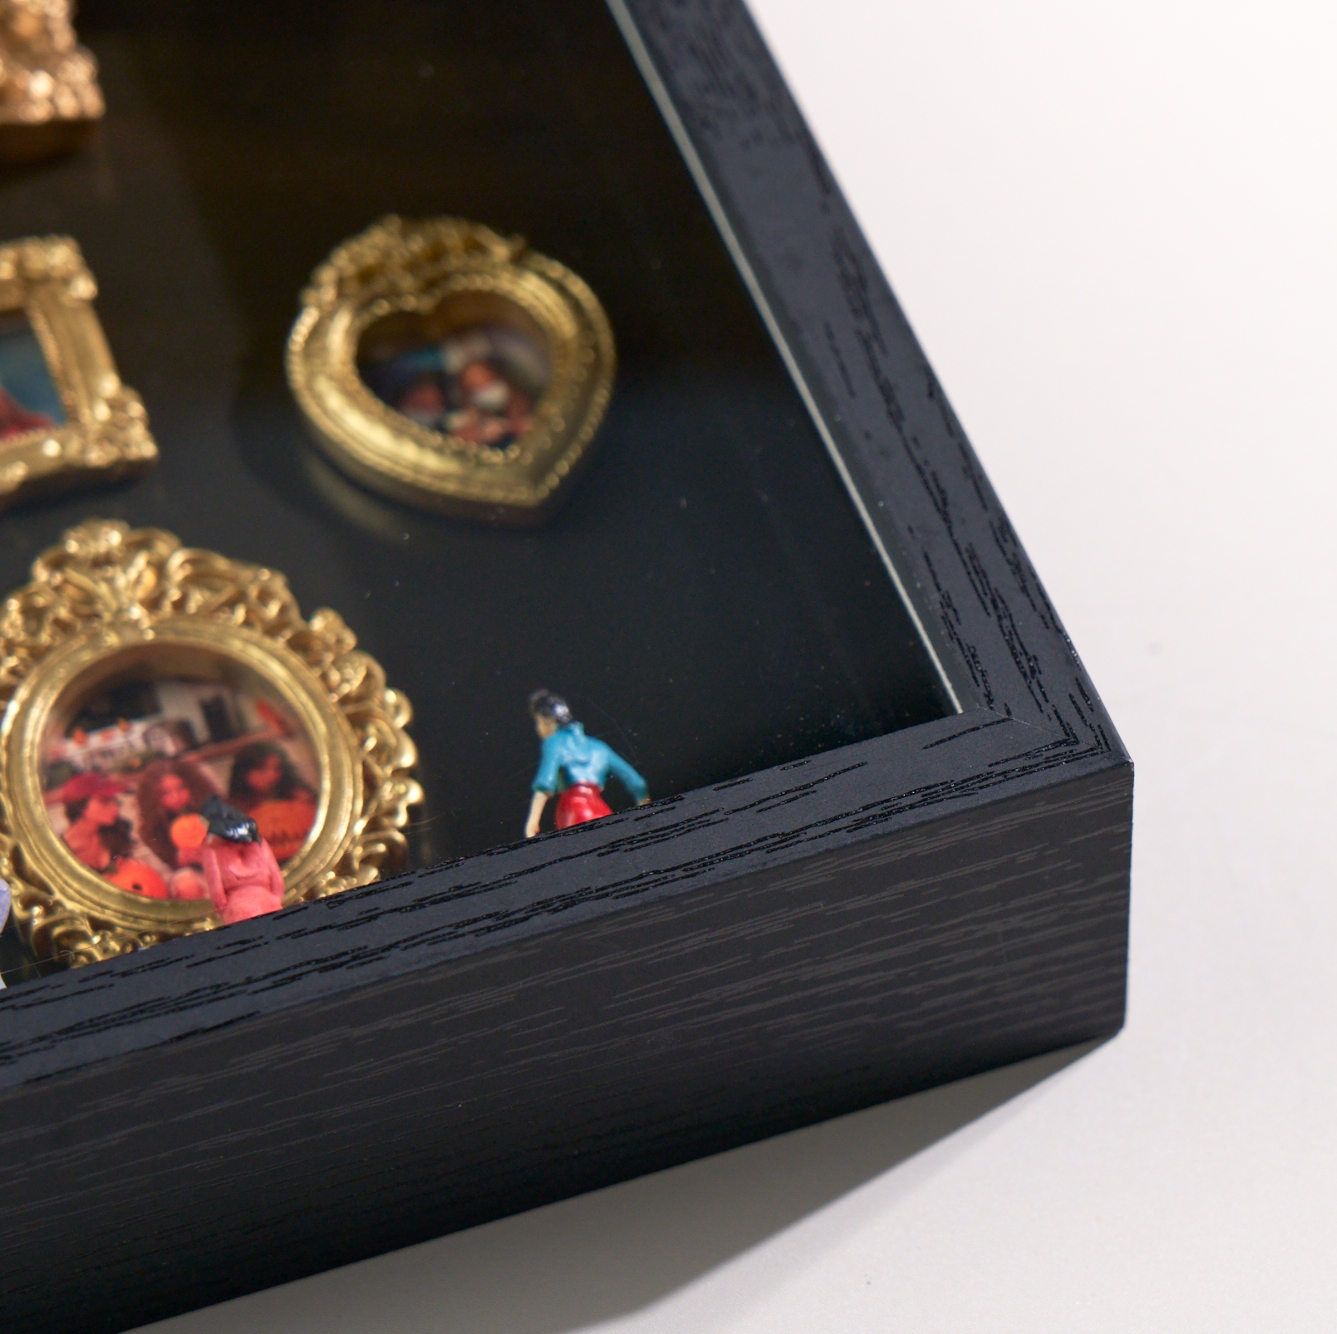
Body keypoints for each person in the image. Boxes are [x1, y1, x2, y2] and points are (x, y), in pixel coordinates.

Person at [525, 690, 650, 838]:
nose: (538, 728)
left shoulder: (554, 742)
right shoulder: (599, 747)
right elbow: (637, 783)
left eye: (538, 722)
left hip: (573, 809)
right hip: (601, 810)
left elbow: (545, 784)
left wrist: (532, 822)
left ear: (547, 721)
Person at [59, 771, 168, 899]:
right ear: (80, 808)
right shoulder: (61, 850)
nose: (115, 808)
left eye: (114, 800)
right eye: (104, 801)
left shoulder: (115, 832)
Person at [135, 757, 218, 899]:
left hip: (225, 868)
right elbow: (161, 877)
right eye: (165, 793)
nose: (176, 797)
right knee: (186, 884)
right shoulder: (152, 829)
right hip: (194, 879)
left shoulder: (212, 810)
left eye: (181, 788)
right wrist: (179, 861)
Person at [200, 795, 286, 926]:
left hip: (238, 905)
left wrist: (225, 909)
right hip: (268, 898)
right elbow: (276, 875)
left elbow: (216, 887)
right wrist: (275, 898)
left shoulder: (211, 846)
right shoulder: (256, 838)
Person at [227, 740, 317, 861]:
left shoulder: (297, 796)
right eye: (261, 769)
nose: (271, 776)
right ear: (243, 772)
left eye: (277, 769)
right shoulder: (234, 809)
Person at [445, 359, 532, 447]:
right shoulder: (464, 421)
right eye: (476, 388)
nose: (485, 390)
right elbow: (454, 440)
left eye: (487, 381)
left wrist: (509, 427)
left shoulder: (527, 401)